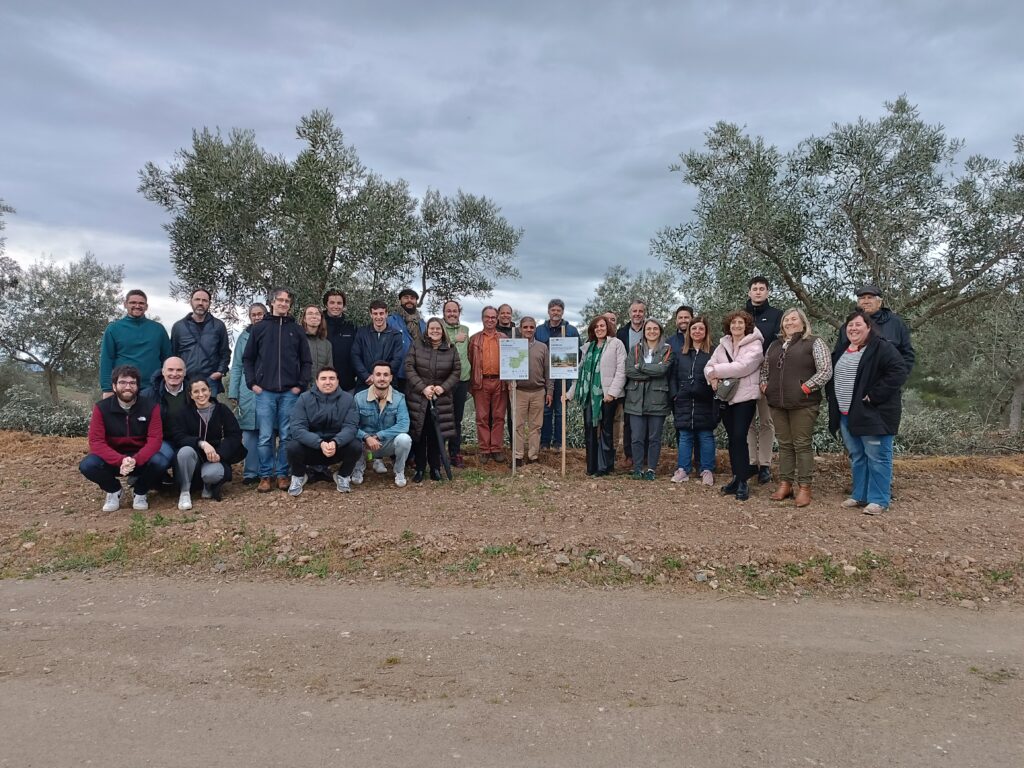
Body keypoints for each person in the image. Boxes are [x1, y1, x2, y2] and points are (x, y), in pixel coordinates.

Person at [826, 309, 908, 515]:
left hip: (873, 414)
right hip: (847, 414)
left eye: (858, 325)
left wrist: (874, 395)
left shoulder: (881, 348)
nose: (853, 329)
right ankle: (859, 494)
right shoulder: (844, 348)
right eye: (850, 325)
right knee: (858, 456)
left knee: (878, 456)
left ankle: (879, 499)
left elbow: (898, 371)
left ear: (869, 327)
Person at [760, 308, 833, 507]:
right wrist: (765, 386)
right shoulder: (775, 345)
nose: (789, 323)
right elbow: (765, 370)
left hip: (803, 403)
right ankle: (785, 484)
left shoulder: (814, 342)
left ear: (803, 322)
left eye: (794, 319)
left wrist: (806, 387)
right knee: (784, 444)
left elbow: (825, 370)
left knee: (801, 444)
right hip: (777, 402)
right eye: (786, 320)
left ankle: (805, 488)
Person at [243, 287, 312, 493]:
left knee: (286, 435)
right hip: (264, 391)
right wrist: (252, 383)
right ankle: (265, 475)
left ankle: (282, 474)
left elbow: (306, 361)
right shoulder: (259, 328)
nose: (283, 303)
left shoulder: (297, 329)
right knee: (265, 436)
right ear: (272, 302)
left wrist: (300, 385)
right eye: (280, 300)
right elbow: (248, 359)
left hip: (290, 392)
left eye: (287, 301)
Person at [79, 365, 168, 512]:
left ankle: (140, 492)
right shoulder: (101, 408)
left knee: (161, 461)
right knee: (88, 465)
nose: (128, 386)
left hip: (139, 459)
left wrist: (135, 460)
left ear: (138, 387)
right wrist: (120, 460)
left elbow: (155, 440)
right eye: (122, 382)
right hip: (114, 459)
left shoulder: (151, 407)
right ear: (114, 386)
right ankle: (114, 490)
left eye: (132, 383)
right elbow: (96, 442)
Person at [705, 311, 764, 501]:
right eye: (733, 323)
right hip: (726, 397)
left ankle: (744, 481)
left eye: (740, 323)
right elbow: (708, 365)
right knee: (732, 439)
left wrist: (716, 372)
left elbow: (743, 367)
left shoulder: (755, 344)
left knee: (740, 436)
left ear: (746, 325)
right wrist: (711, 376)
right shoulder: (723, 344)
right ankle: (737, 478)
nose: (736, 326)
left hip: (745, 398)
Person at [285, 366, 363, 496]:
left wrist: (336, 442)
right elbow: (297, 428)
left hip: (336, 447)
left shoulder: (348, 399)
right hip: (312, 447)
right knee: (292, 446)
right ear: (316, 382)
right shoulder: (304, 399)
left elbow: (351, 427)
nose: (328, 382)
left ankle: (343, 476)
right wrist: (319, 443)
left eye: (332, 378)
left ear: (338, 381)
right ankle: (298, 476)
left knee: (356, 445)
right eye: (323, 378)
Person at [170, 377, 245, 510]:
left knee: (212, 474)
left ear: (210, 391)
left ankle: (208, 485)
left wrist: (220, 454)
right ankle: (185, 492)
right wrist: (201, 443)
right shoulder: (182, 413)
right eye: (196, 392)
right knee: (184, 452)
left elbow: (234, 435)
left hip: (215, 458)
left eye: (204, 390)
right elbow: (178, 437)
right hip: (194, 457)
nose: (201, 394)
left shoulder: (222, 410)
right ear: (191, 395)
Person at [566, 316, 626, 476]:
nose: (599, 328)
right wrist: (569, 394)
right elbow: (579, 374)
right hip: (589, 397)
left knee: (606, 431)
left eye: (602, 325)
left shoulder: (615, 344)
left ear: (608, 327)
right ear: (592, 330)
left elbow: (621, 370)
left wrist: (612, 393)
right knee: (590, 430)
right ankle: (591, 466)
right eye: (596, 326)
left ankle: (604, 467)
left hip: (607, 396)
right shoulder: (588, 347)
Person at [405, 317, 461, 482]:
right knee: (420, 434)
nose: (435, 331)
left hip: (441, 398)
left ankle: (435, 468)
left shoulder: (451, 349)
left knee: (437, 435)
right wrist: (423, 387)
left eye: (438, 328)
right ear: (427, 330)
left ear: (442, 330)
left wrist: (443, 387)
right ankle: (420, 469)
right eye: (432, 328)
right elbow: (409, 367)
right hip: (419, 397)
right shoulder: (417, 345)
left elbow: (456, 371)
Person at [670, 316, 718, 485]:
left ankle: (707, 470)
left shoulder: (713, 353)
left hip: (705, 401)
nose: (697, 331)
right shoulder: (681, 353)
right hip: (683, 401)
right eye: (694, 329)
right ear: (689, 332)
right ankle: (683, 469)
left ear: (706, 332)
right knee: (685, 436)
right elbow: (673, 376)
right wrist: (675, 394)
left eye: (701, 329)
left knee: (705, 436)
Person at [624, 318, 673, 479]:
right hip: (635, 399)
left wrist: (642, 367)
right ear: (644, 332)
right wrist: (650, 373)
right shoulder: (635, 349)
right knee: (636, 437)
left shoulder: (667, 350)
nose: (652, 332)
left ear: (660, 331)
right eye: (648, 329)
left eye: (655, 329)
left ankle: (651, 469)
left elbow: (662, 370)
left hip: (657, 399)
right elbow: (630, 371)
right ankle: (638, 468)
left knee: (654, 438)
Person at [99, 290, 170, 398]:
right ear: (125, 304)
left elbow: (168, 359)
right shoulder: (113, 329)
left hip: (152, 389)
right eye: (133, 302)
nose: (137, 306)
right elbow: (106, 360)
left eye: (141, 303)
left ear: (146, 306)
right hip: (123, 389)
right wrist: (107, 389)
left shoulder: (158, 329)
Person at [745, 277, 782, 485]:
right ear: (749, 292)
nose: (758, 292)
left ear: (767, 292)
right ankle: (751, 462)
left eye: (762, 289)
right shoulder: (741, 315)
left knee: (767, 421)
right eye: (754, 289)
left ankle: (765, 465)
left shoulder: (777, 315)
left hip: (768, 376)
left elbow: (779, 343)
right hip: (745, 376)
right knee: (748, 421)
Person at [352, 362, 413, 488]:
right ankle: (358, 468)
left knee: (405, 439)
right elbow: (351, 425)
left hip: (387, 443)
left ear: (391, 378)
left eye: (386, 375)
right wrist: (366, 437)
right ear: (372, 377)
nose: (382, 378)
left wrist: (379, 436)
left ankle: (399, 471)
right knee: (352, 438)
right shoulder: (359, 398)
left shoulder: (399, 398)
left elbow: (404, 425)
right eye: (378, 374)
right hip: (365, 444)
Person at [833, 284, 915, 374]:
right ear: (858, 303)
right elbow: (838, 354)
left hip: (887, 381)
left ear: (879, 303)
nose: (866, 301)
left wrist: (898, 377)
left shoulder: (895, 323)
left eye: (870, 297)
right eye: (862, 298)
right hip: (853, 381)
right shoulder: (849, 327)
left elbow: (907, 354)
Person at [227, 303, 266, 485]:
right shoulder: (243, 337)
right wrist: (233, 392)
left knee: (268, 430)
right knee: (250, 431)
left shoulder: (272, 334)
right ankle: (251, 472)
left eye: (260, 314)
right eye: (253, 314)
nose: (257, 317)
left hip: (269, 387)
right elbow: (236, 367)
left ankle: (269, 470)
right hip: (247, 389)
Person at [534, 298, 580, 450]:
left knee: (561, 411)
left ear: (562, 312)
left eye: (558, 310)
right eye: (553, 310)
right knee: (546, 410)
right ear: (548, 311)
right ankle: (545, 442)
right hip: (544, 376)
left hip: (563, 376)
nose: (555, 313)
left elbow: (578, 352)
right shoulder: (539, 330)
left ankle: (559, 442)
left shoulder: (571, 330)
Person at [170, 288, 230, 397]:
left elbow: (225, 352)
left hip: (210, 380)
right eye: (197, 299)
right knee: (184, 413)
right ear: (191, 301)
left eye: (204, 300)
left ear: (209, 303)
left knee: (208, 413)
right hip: (185, 381)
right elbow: (173, 354)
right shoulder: (179, 326)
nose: (200, 303)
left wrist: (220, 372)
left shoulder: (218, 326)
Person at [468, 306, 508, 462]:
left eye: (493, 317)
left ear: (497, 319)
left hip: (500, 381)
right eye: (487, 317)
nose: (490, 320)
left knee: (499, 416)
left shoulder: (504, 338)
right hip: (481, 381)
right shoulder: (475, 339)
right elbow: (471, 360)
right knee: (482, 417)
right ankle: (485, 449)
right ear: (482, 318)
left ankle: (496, 448)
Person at [511, 316, 553, 464]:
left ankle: (533, 456)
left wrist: (549, 391)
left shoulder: (542, 347)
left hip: (538, 391)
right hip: (519, 391)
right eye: (525, 327)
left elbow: (548, 371)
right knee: (518, 425)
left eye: (531, 327)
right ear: (520, 329)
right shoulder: (513, 346)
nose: (528, 330)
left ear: (535, 329)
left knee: (536, 426)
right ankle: (517, 456)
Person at [141, 356, 189, 480]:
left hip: (186, 439)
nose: (174, 374)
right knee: (164, 457)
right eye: (170, 370)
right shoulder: (148, 395)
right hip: (162, 440)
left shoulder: (193, 392)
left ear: (185, 372)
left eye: (179, 370)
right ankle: (144, 480)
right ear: (163, 372)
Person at [616, 300, 647, 468]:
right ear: (630, 314)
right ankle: (629, 454)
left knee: (647, 417)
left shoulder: (651, 329)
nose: (637, 314)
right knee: (628, 419)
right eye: (634, 311)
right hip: (628, 382)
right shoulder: (621, 333)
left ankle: (646, 455)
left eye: (640, 311)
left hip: (648, 381)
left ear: (644, 313)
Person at [442, 299, 471, 468]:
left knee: (457, 419)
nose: (452, 313)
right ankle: (440, 452)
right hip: (445, 381)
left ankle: (455, 453)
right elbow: (435, 345)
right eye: (449, 311)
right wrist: (454, 339)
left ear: (459, 313)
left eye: (455, 311)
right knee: (443, 418)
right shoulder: (439, 329)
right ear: (444, 313)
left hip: (462, 379)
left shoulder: (465, 329)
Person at [353, 300, 404, 391]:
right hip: (365, 383)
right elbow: (355, 355)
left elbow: (397, 358)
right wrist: (366, 376)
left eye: (381, 313)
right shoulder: (362, 333)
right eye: (375, 314)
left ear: (386, 314)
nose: (378, 317)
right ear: (371, 315)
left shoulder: (396, 335)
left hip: (388, 384)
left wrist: (382, 377)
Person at [387, 288, 426, 392]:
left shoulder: (422, 324)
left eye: (412, 298)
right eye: (406, 298)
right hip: (397, 373)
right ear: (400, 301)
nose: (409, 300)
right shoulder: (391, 320)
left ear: (416, 302)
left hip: (417, 374)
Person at [323, 289, 358, 392]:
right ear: (326, 305)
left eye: (339, 303)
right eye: (332, 303)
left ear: (343, 306)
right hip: (323, 384)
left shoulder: (351, 327)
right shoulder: (319, 326)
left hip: (347, 385)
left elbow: (356, 353)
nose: (336, 306)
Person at [300, 305, 334, 389]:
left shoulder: (327, 344)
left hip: (321, 390)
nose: (314, 316)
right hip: (301, 390)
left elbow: (329, 369)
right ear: (304, 319)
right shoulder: (297, 340)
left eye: (317, 314)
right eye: (310, 313)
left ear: (321, 318)